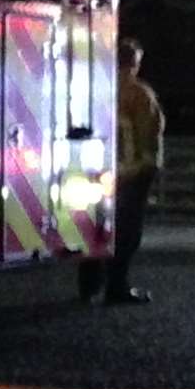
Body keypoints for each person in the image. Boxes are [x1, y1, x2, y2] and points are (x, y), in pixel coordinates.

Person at [79, 37, 164, 304]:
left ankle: (89, 287)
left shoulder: (95, 89)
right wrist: (150, 167)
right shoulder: (139, 94)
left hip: (96, 173)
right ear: (134, 63)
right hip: (131, 175)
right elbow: (149, 136)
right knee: (126, 234)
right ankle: (117, 287)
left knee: (94, 229)